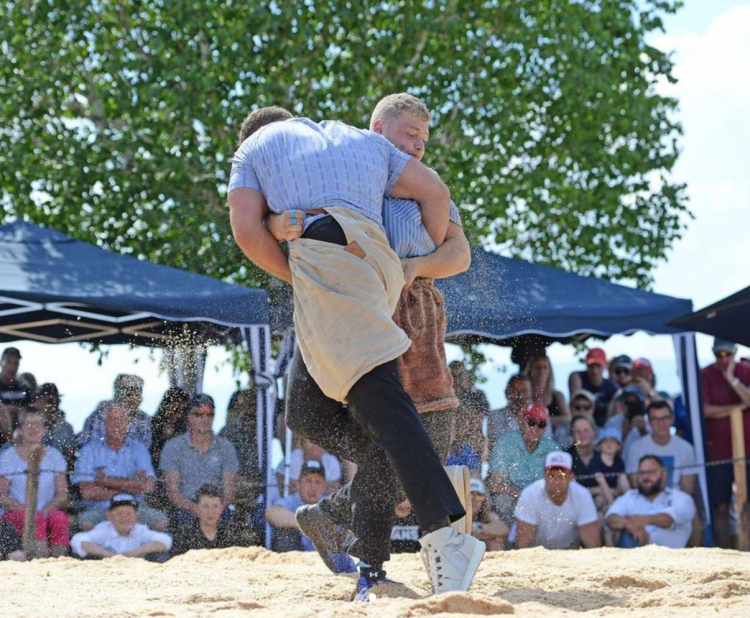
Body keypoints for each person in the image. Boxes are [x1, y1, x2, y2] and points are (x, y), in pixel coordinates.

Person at [228, 103, 480, 597]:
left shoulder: (398, 178)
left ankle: (382, 559)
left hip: (401, 309)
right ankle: (342, 515)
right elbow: (265, 219)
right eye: (411, 134)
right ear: (379, 129)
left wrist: (415, 263)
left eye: (424, 140)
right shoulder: (352, 162)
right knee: (308, 412)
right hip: (332, 290)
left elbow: (460, 252)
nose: (419, 145)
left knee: (396, 425)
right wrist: (281, 224)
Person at [73, 401, 168, 531]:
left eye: (122, 419)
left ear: (128, 423)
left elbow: (147, 486)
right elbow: (87, 492)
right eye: (113, 419)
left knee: (161, 523)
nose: (117, 424)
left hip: (135, 508)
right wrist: (131, 486)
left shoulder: (139, 449)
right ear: (104, 423)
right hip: (100, 508)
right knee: (86, 523)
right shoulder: (89, 450)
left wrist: (104, 481)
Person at [699, 338, 750, 548]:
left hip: (747, 450)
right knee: (720, 506)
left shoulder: (745, 371)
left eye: (727, 354)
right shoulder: (705, 374)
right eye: (719, 355)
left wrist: (732, 379)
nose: (723, 359)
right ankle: (723, 552)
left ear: (735, 352)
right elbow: (705, 411)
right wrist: (738, 408)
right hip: (718, 452)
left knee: (748, 504)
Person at [0, 407, 69, 557]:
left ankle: (60, 562)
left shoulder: (54, 456)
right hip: (15, 512)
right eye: (29, 424)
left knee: (59, 518)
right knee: (35, 519)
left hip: (46, 509)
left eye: (38, 424)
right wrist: (27, 510)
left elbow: (62, 494)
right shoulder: (8, 457)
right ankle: (38, 560)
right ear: (20, 428)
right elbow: (1, 495)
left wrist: (45, 510)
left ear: (44, 428)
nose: (34, 428)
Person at [160, 394, 239, 525]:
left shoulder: (226, 447)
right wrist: (196, 509)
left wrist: (216, 509)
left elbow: (229, 488)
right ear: (189, 417)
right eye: (199, 414)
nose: (205, 419)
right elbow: (172, 491)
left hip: (218, 509)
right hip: (185, 509)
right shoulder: (173, 447)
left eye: (209, 414)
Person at [487, 402, 559, 522]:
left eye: (541, 424)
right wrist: (522, 494)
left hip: (542, 498)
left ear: (546, 427)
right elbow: (495, 484)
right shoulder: (505, 443)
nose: (535, 428)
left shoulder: (553, 449)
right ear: (521, 422)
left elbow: (559, 484)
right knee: (502, 501)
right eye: (531, 422)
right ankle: (509, 538)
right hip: (513, 496)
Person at [514, 451, 601, 550]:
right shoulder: (530, 494)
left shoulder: (582, 495)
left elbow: (593, 544)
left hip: (568, 552)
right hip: (535, 552)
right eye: (552, 476)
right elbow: (522, 544)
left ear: (571, 477)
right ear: (545, 476)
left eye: (562, 476)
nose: (556, 482)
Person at [606, 455, 696, 548]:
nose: (646, 477)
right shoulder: (629, 497)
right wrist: (630, 525)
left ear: (663, 474)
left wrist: (642, 520)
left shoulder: (680, 498)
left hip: (672, 558)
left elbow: (669, 519)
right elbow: (611, 518)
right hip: (636, 558)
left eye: (651, 472)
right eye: (642, 473)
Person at [626, 400, 697, 494]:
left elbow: (688, 489)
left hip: (675, 501)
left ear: (672, 419)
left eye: (665, 418)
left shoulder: (686, 449)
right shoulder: (635, 449)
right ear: (649, 422)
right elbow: (635, 485)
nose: (661, 423)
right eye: (655, 419)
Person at [71, 493, 172, 559]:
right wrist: (110, 556)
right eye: (119, 513)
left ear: (136, 516)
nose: (125, 518)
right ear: (109, 516)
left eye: (128, 514)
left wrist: (136, 553)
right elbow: (78, 540)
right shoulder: (104, 530)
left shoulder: (140, 530)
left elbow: (165, 540)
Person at [79, 374, 152, 447]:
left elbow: (146, 446)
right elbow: (87, 445)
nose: (132, 399)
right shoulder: (100, 416)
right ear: (119, 395)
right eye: (129, 394)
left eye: (137, 394)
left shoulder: (144, 419)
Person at [171, 484, 242, 556]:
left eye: (215, 506)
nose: (210, 512)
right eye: (205, 506)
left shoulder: (232, 532)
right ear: (197, 507)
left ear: (221, 508)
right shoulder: (184, 534)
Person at [447, 361, 489, 470]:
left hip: (473, 445)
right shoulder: (445, 398)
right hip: (450, 447)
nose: (456, 380)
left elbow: (480, 416)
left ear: (468, 377)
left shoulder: (478, 396)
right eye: (452, 376)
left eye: (459, 375)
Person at [525, 355, 571, 447]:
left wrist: (546, 420)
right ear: (530, 370)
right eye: (537, 368)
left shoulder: (557, 396)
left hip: (555, 440)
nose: (541, 371)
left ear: (550, 371)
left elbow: (568, 419)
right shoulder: (525, 395)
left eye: (544, 367)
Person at [32, 383, 76, 471]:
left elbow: (70, 458)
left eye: (51, 401)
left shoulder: (66, 428)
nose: (50, 405)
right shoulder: (29, 426)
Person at [568, 348, 618, 427]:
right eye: (591, 366)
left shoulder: (612, 387)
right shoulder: (578, 377)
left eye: (598, 366)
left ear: (605, 366)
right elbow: (576, 401)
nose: (595, 370)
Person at [487, 374, 533, 455]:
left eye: (524, 391)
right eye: (515, 392)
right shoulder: (495, 416)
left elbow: (545, 446)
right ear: (507, 393)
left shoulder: (540, 416)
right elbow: (496, 448)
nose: (520, 396)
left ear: (531, 393)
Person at [589, 428, 630, 514]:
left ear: (618, 447)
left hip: (613, 491)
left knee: (623, 478)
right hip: (597, 492)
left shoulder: (619, 461)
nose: (609, 444)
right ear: (599, 446)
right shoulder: (595, 460)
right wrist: (613, 506)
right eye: (605, 441)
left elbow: (622, 480)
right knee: (600, 500)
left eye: (613, 442)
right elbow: (601, 482)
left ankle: (630, 504)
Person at [150, 387, 190, 468]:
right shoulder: (150, 426)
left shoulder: (186, 429)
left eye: (183, 411)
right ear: (166, 406)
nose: (179, 415)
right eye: (176, 410)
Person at [468, 478, 508, 551]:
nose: (475, 500)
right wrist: (487, 533)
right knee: (495, 537)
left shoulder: (486, 515)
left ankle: (498, 561)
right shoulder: (455, 514)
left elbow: (503, 530)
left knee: (496, 540)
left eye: (479, 496)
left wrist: (475, 527)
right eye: (470, 495)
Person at [0, 347, 30, 439]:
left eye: (16, 363)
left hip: (22, 436)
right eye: (8, 362)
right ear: (1, 363)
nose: (12, 367)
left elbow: (32, 411)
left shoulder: (25, 387)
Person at [565, 415, 598, 490]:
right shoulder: (565, 457)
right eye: (578, 431)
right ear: (572, 435)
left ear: (594, 432)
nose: (582, 435)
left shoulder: (603, 456)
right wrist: (595, 490)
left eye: (586, 430)